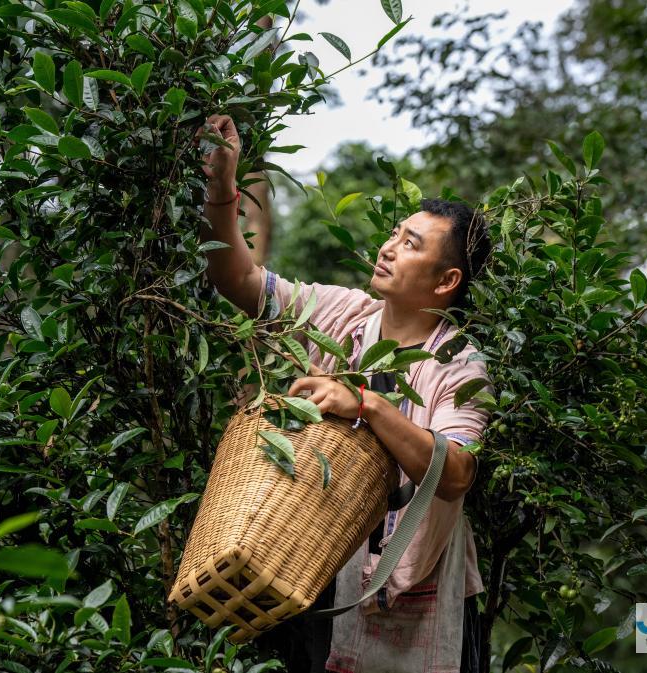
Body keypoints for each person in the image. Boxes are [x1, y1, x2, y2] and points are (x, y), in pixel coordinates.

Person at [195, 114, 493, 673]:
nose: (387, 247)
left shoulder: (459, 365)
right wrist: (221, 189)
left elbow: (455, 473)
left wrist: (368, 404)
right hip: (316, 573)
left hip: (414, 586)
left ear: (446, 280)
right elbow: (237, 280)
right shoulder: (345, 316)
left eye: (410, 243)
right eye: (394, 234)